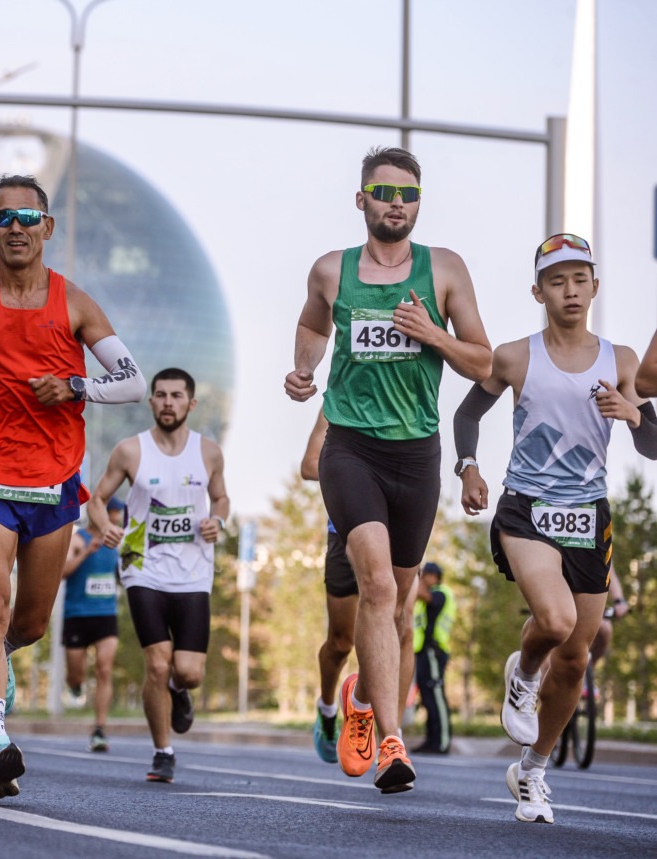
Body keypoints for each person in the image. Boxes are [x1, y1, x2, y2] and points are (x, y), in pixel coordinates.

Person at [0, 174, 145, 798]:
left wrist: (76, 387)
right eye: (3, 218)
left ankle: (3, 655)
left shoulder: (75, 303)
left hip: (53, 484)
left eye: (27, 217)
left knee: (30, 622)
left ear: (47, 227)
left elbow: (132, 381)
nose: (16, 227)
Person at [284, 146, 492, 793]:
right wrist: (304, 369)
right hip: (351, 446)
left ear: (417, 204)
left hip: (416, 453)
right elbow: (312, 323)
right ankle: (392, 745)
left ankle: (367, 703)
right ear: (362, 199)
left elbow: (482, 363)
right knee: (375, 587)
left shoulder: (445, 270)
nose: (395, 203)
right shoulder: (331, 270)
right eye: (383, 191)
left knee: (401, 606)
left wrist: (433, 335)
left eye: (407, 194)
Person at [454, 232, 657, 824]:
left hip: (589, 515)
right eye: (557, 280)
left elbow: (651, 445)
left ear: (595, 285)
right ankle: (523, 673)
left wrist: (634, 414)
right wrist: (468, 467)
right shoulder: (517, 356)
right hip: (526, 508)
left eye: (579, 278)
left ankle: (533, 772)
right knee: (556, 620)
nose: (570, 290)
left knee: (577, 657)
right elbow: (469, 413)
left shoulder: (621, 361)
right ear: (538, 291)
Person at [88, 368, 229, 783]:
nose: (169, 402)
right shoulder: (131, 451)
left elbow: (221, 497)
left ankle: (180, 691)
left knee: (187, 671)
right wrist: (104, 526)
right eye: (161, 395)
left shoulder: (209, 452)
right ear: (151, 401)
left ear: (191, 403)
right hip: (141, 566)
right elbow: (96, 498)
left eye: (177, 396)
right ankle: (163, 750)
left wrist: (218, 521)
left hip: (193, 571)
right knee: (157, 663)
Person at [300, 413, 359, 764]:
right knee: (341, 642)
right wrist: (361, 476)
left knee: (394, 627)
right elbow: (308, 466)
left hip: (395, 534)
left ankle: (383, 731)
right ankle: (326, 708)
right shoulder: (335, 404)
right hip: (343, 533)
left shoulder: (406, 394)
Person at [61, 496, 124, 753]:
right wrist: (87, 552)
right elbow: (63, 571)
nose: (116, 519)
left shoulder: (118, 543)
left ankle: (99, 728)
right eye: (113, 514)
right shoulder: (78, 539)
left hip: (106, 613)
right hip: (77, 614)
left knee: (104, 669)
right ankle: (75, 686)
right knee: (76, 674)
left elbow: (123, 575)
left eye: (119, 515)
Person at [412, 561, 454, 754]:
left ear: (434, 576)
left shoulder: (441, 593)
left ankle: (442, 741)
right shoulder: (426, 594)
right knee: (427, 698)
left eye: (425, 575)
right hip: (423, 652)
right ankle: (431, 740)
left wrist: (413, 577)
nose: (423, 578)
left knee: (436, 696)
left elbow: (425, 596)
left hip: (434, 652)